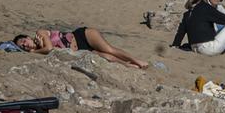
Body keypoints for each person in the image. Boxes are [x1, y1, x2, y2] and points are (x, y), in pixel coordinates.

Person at [14, 27, 148, 68]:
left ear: (27, 36)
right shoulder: (39, 49)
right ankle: (128, 65)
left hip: (82, 35)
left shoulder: (40, 33)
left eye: (23, 40)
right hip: (80, 51)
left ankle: (137, 61)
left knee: (109, 49)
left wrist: (34, 50)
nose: (25, 44)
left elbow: (49, 48)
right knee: (106, 57)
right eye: (23, 46)